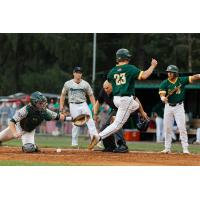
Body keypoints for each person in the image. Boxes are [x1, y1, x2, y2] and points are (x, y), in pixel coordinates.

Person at [88, 48, 158, 150]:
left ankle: (138, 116)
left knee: (136, 105)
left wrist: (116, 86)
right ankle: (98, 137)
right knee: (117, 125)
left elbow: (106, 84)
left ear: (117, 59)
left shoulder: (112, 71)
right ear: (127, 58)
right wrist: (152, 66)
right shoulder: (130, 68)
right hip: (125, 99)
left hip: (116, 99)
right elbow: (144, 76)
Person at [0, 91, 66, 152]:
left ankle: (34, 146)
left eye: (43, 102)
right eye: (40, 102)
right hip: (17, 127)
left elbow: (60, 117)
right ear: (34, 102)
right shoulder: (25, 110)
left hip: (28, 131)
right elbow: (12, 122)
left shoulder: (45, 111)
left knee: (29, 148)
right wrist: (14, 133)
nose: (43, 104)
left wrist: (72, 119)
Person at [93, 80, 148, 153]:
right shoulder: (103, 91)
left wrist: (142, 112)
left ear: (113, 86)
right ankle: (110, 146)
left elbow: (135, 99)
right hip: (115, 110)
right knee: (104, 127)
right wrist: (95, 115)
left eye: (107, 88)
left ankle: (122, 145)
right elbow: (98, 102)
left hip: (128, 109)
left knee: (115, 121)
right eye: (104, 88)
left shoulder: (120, 90)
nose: (105, 90)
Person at [159, 65, 200, 154]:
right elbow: (162, 94)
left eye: (171, 72)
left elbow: (194, 77)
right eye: (168, 72)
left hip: (179, 107)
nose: (169, 73)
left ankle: (185, 149)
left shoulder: (181, 80)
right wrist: (163, 98)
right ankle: (167, 148)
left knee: (182, 128)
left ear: (175, 73)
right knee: (167, 128)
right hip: (168, 107)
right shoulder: (164, 83)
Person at [59, 66, 99, 147]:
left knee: (90, 121)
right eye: (77, 72)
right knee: (76, 124)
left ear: (81, 74)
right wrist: (61, 106)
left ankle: (96, 141)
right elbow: (63, 95)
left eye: (80, 73)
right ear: (73, 73)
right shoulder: (68, 83)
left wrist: (94, 107)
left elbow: (91, 96)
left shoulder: (85, 84)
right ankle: (74, 143)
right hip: (73, 104)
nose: (78, 74)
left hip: (83, 104)